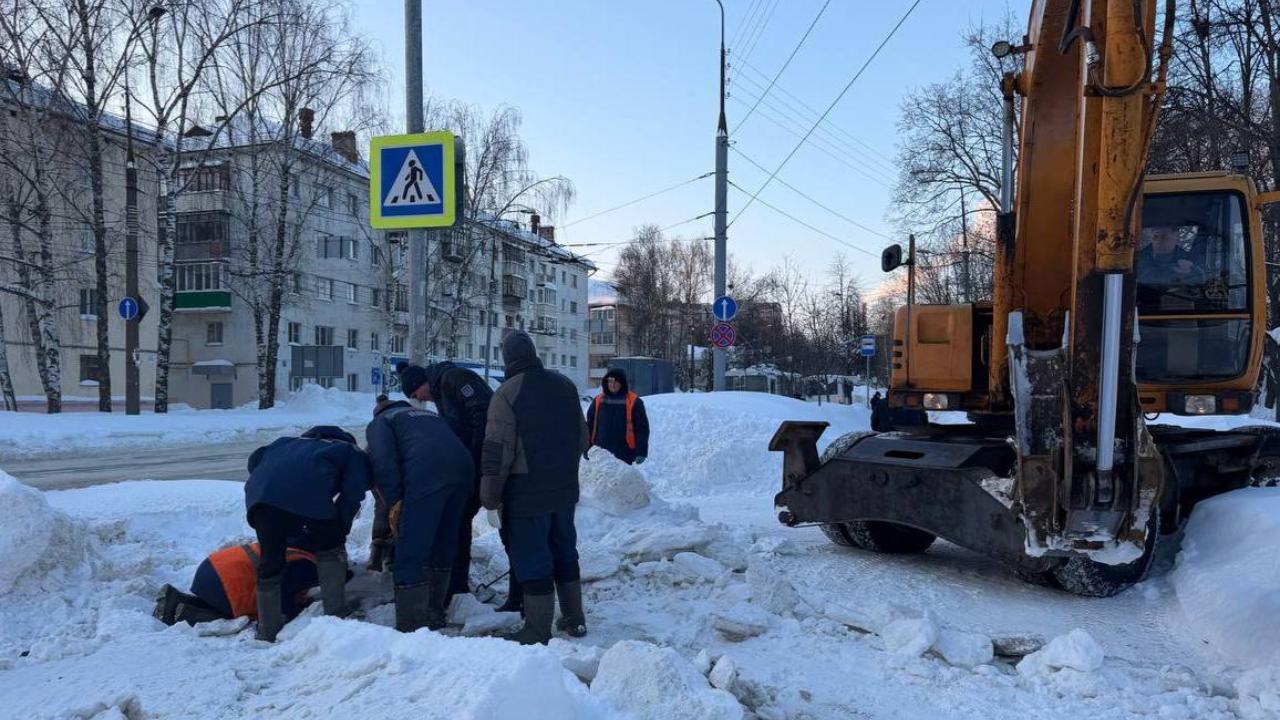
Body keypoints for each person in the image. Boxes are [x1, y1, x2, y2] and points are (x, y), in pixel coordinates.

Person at [480, 330, 590, 645]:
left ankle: (537, 630)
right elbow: (583, 437)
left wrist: (490, 496)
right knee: (565, 551)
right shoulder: (565, 385)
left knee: (534, 557)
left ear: (507, 359)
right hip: (565, 489)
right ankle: (574, 618)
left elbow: (497, 451)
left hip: (527, 493)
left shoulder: (507, 393)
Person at [244, 426, 370, 642]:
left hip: (261, 498)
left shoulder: (284, 442)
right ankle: (335, 615)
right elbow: (353, 492)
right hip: (311, 494)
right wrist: (340, 528)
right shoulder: (349, 450)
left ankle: (268, 629)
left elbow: (255, 460)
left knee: (271, 561)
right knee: (331, 550)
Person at [366, 390, 475, 632]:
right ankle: (435, 611)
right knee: (443, 542)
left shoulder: (382, 422)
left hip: (427, 476)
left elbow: (384, 463)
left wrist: (395, 502)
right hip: (464, 473)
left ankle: (411, 625)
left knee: (411, 548)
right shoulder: (429, 416)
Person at [410, 361, 496, 602]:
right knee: (459, 522)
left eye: (418, 394)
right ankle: (456, 585)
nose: (422, 399)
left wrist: (474, 455)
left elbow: (482, 412)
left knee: (460, 521)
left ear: (422, 384)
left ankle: (456, 587)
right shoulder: (442, 389)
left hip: (478, 462)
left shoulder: (454, 378)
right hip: (468, 464)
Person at [153, 540, 320, 628]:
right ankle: (184, 613)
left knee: (214, 602)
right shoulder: (306, 566)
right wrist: (297, 612)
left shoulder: (292, 549)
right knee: (231, 617)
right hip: (225, 581)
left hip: (210, 568)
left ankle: (176, 598)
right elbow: (280, 597)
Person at [586, 368, 650, 465]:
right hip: (600, 453)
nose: (613, 384)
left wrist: (641, 451)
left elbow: (642, 428)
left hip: (624, 454)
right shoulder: (598, 400)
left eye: (616, 381)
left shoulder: (634, 401)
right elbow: (590, 425)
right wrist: (586, 447)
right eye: (610, 381)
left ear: (622, 383)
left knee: (620, 480)